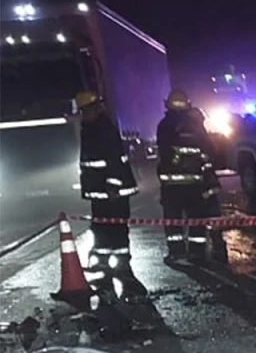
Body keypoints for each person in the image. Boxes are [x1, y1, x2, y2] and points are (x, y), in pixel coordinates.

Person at [75, 90, 142, 292]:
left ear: (93, 108)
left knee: (115, 230)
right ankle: (104, 266)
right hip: (102, 193)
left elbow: (115, 160)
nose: (84, 114)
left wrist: (112, 185)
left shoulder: (102, 129)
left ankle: (121, 266)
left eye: (85, 110)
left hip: (112, 194)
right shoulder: (91, 127)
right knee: (102, 229)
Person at [156, 89, 228, 263]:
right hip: (196, 183)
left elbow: (164, 152)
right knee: (197, 219)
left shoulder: (165, 125)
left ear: (168, 104)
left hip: (171, 186)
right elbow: (209, 150)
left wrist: (173, 163)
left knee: (173, 221)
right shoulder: (196, 126)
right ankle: (197, 253)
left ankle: (177, 252)